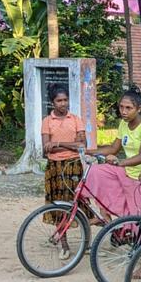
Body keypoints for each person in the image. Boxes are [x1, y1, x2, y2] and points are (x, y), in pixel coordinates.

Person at [87, 90, 141, 219]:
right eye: (121, 107)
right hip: (127, 171)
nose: (124, 111)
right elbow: (114, 148)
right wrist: (89, 151)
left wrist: (119, 163)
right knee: (95, 171)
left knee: (138, 220)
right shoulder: (124, 123)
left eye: (128, 108)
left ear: (139, 109)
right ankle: (106, 217)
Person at [40, 84, 90, 241]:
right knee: (59, 207)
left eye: (65, 100)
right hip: (54, 168)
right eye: (59, 100)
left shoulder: (75, 120)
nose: (63, 103)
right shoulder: (47, 121)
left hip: (74, 166)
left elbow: (82, 145)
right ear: (52, 102)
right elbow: (46, 150)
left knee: (82, 206)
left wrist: (57, 143)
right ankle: (64, 245)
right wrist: (68, 145)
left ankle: (87, 244)